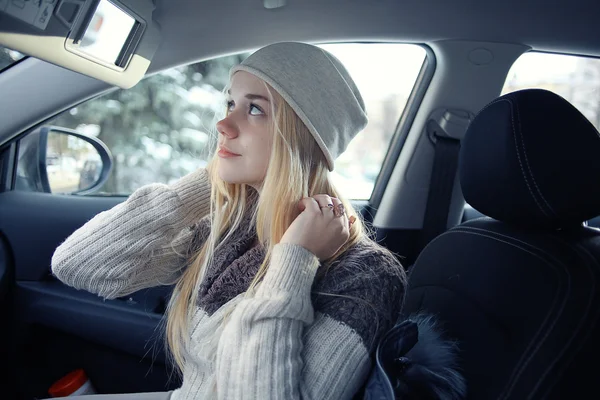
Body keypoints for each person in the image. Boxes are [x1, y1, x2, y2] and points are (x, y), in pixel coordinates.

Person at [50, 42, 410, 399]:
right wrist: (204, 185)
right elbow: (78, 265)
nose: (223, 124)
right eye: (230, 103)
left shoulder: (367, 276)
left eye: (255, 109)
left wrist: (295, 260)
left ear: (305, 138)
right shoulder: (230, 231)